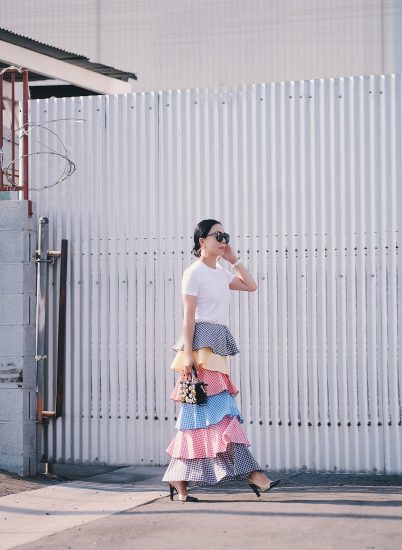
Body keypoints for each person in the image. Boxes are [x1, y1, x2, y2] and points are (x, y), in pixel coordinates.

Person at [162, 219, 281, 501]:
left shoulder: (220, 273)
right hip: (200, 348)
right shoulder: (194, 273)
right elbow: (189, 316)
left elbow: (251, 286)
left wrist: (234, 259)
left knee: (198, 417)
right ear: (202, 241)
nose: (223, 239)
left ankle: (178, 479)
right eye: (218, 235)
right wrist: (189, 353)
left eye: (225, 235)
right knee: (218, 413)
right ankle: (254, 475)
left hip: (216, 348)